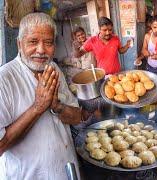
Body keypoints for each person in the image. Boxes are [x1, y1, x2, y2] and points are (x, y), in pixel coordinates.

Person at [0, 13, 92, 179]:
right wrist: (38, 107)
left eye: (48, 42)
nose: (41, 50)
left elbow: (77, 117)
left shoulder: (54, 69)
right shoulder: (4, 79)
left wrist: (57, 107)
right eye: (33, 42)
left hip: (67, 170)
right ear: (19, 44)